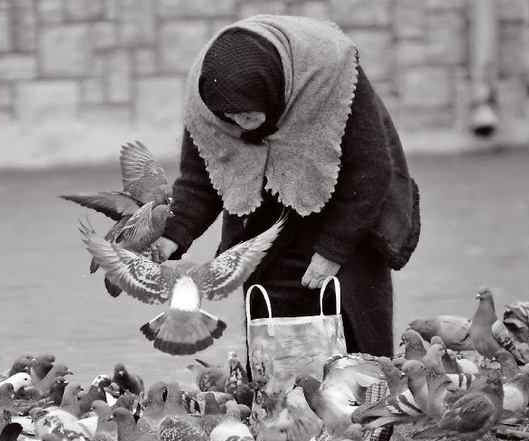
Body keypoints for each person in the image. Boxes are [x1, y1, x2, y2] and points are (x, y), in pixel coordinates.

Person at [151, 14, 420, 358]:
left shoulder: (331, 76)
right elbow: (200, 180)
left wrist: (333, 250)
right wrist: (171, 235)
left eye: (248, 114)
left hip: (347, 227)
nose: (240, 125)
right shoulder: (206, 104)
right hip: (264, 234)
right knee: (276, 356)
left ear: (273, 89)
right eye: (229, 117)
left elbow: (370, 169)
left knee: (360, 360)